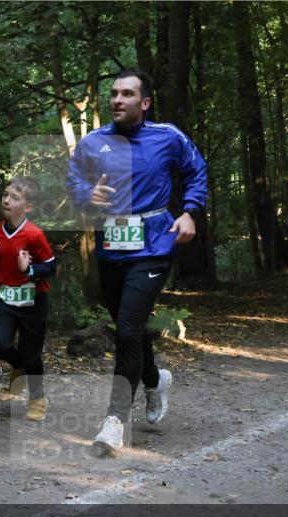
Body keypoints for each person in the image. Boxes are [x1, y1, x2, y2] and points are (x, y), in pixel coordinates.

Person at [66, 69, 207, 454]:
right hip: (111, 244)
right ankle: (154, 378)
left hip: (154, 243)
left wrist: (190, 212)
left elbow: (196, 170)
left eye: (127, 94)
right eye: (113, 94)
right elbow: (74, 180)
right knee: (129, 325)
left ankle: (114, 420)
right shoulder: (93, 143)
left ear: (144, 103)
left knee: (128, 327)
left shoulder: (168, 136)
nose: (117, 100)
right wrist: (86, 195)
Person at [0, 175, 57, 421]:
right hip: (6, 298)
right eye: (5, 195)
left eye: (14, 197)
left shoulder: (34, 235)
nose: (6, 200)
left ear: (28, 206)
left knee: (32, 353)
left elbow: (51, 267)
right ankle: (18, 366)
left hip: (34, 301)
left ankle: (37, 398)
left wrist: (29, 270)